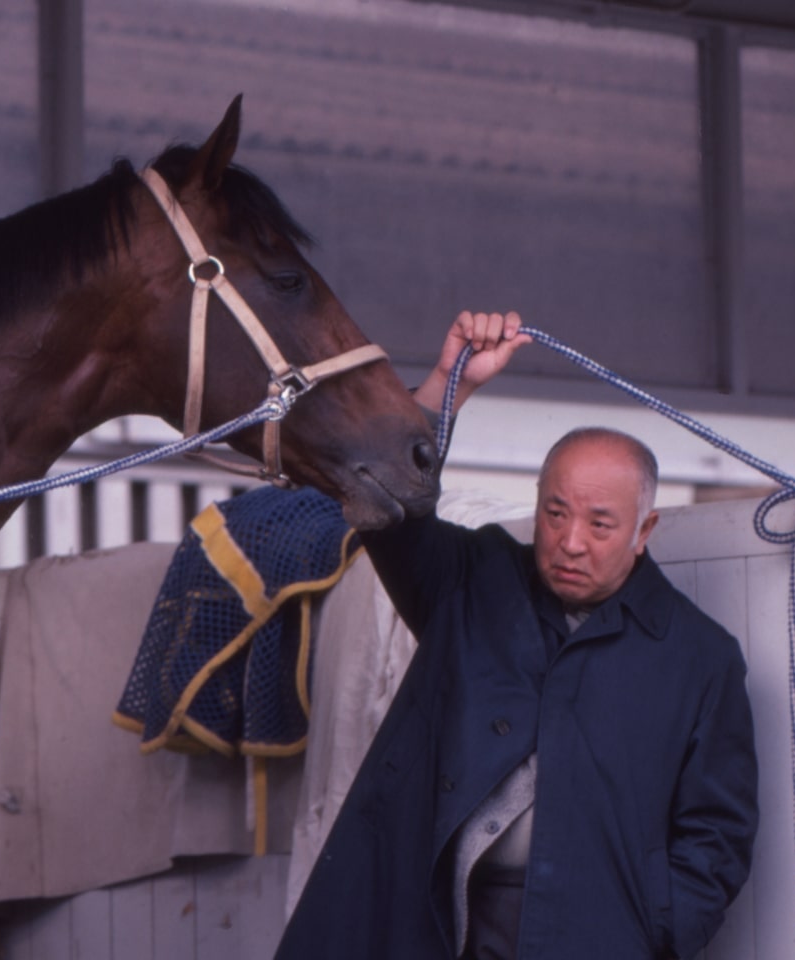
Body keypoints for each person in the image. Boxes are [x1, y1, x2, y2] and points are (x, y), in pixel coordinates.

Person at [276, 311, 758, 960]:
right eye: (554, 512)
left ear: (645, 531)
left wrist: (652, 933)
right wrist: (451, 383)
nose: (569, 542)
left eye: (601, 524)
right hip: (440, 923)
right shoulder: (472, 582)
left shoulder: (697, 657)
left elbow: (717, 834)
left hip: (594, 937)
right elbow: (388, 507)